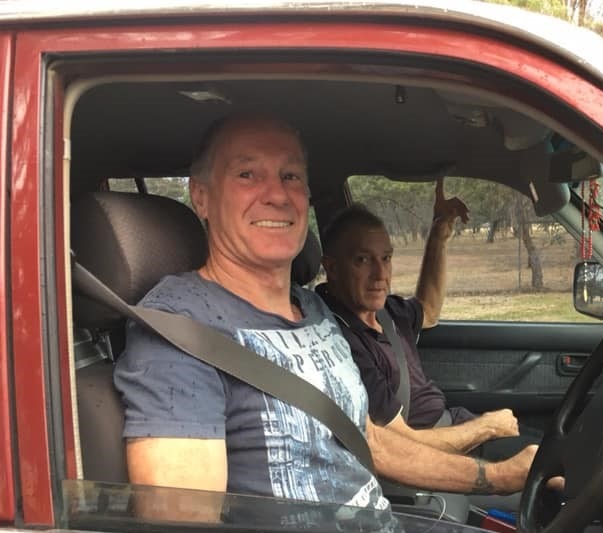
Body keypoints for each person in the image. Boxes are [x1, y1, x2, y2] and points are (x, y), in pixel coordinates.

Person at [112, 114, 541, 523]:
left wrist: (499, 477)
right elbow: (183, 520)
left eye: (291, 175)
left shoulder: (313, 309)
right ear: (201, 196)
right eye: (247, 174)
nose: (277, 195)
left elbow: (370, 441)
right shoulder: (180, 328)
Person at [316, 186, 542, 462]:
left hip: (452, 426)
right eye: (362, 260)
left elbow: (429, 310)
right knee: (560, 466)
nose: (380, 274)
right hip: (432, 456)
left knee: (558, 446)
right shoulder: (337, 341)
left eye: (385, 258)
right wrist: (486, 427)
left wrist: (439, 231)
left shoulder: (385, 310)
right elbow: (399, 445)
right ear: (332, 268)